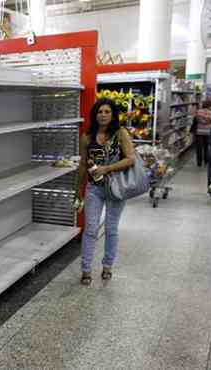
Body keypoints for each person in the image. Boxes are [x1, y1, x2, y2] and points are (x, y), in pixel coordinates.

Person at [77, 98, 136, 285]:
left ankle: (107, 266)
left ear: (113, 114)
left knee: (111, 229)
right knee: (91, 229)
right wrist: (78, 188)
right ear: (95, 115)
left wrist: (106, 169)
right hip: (94, 188)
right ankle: (86, 269)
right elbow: (82, 164)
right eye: (99, 112)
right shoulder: (87, 136)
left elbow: (131, 159)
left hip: (116, 188)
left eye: (107, 112)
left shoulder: (120, 133)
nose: (103, 115)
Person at [190, 101, 211, 166]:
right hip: (208, 132)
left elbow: (196, 120)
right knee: (206, 147)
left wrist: (202, 121)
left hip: (199, 131)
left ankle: (199, 162)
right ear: (209, 106)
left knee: (199, 148)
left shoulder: (198, 111)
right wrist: (207, 121)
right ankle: (206, 161)